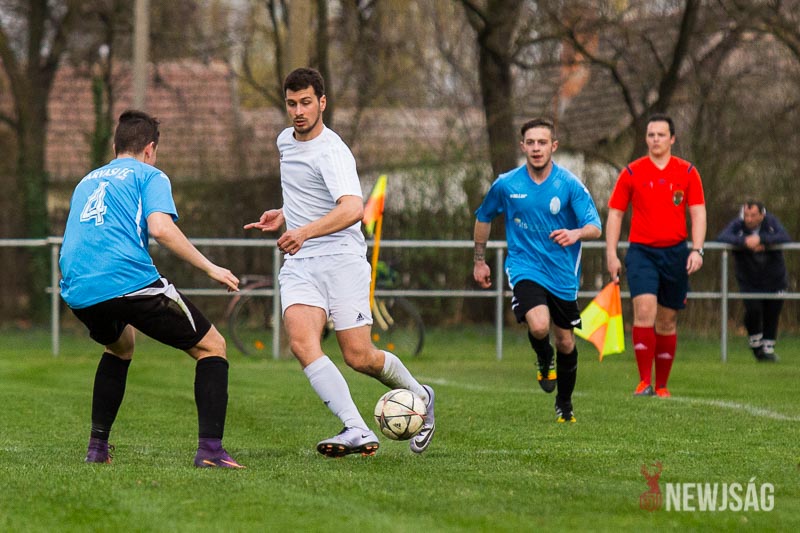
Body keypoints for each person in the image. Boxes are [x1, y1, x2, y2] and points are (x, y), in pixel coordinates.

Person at [244, 67, 435, 457]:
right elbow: (310, 193)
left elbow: (352, 209)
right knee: (302, 344)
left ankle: (420, 396)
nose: (298, 111)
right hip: (301, 264)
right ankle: (356, 428)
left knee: (358, 357)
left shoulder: (333, 152)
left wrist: (303, 231)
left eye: (306, 103)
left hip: (342, 261)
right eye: (292, 103)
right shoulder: (284, 141)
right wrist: (285, 213)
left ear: (322, 103)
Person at [60, 110, 244, 468]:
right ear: (150, 149)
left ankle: (97, 449)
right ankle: (210, 451)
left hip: (77, 288)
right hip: (126, 280)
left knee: (121, 346)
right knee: (213, 346)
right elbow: (160, 228)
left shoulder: (86, 181)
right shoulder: (150, 174)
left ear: (115, 146)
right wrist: (210, 267)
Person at [472, 118, 602, 423]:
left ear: (553, 146)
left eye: (542, 142)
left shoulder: (568, 184)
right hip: (524, 266)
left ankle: (564, 403)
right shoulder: (507, 184)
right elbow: (484, 216)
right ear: (522, 147)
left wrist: (575, 233)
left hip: (562, 272)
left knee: (566, 341)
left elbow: (595, 226)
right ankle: (544, 358)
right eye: (530, 142)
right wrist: (479, 260)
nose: (536, 148)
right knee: (540, 326)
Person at [606, 113, 706, 398]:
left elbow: (698, 213)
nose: (655, 139)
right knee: (644, 312)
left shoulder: (688, 172)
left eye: (661, 135)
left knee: (667, 320)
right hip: (642, 252)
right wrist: (611, 253)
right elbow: (615, 214)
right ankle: (643, 382)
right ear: (646, 138)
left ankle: (661, 385)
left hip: (675, 253)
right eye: (651, 135)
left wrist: (697, 249)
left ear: (672, 138)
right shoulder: (632, 172)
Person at [717, 200, 791, 362]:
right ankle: (757, 345)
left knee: (772, 312)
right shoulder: (738, 225)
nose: (749, 219)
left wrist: (762, 240)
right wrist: (744, 242)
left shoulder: (771, 222)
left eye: (753, 215)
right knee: (753, 310)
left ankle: (768, 350)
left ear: (762, 215)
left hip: (774, 279)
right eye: (746, 215)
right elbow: (722, 237)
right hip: (749, 279)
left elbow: (784, 236)